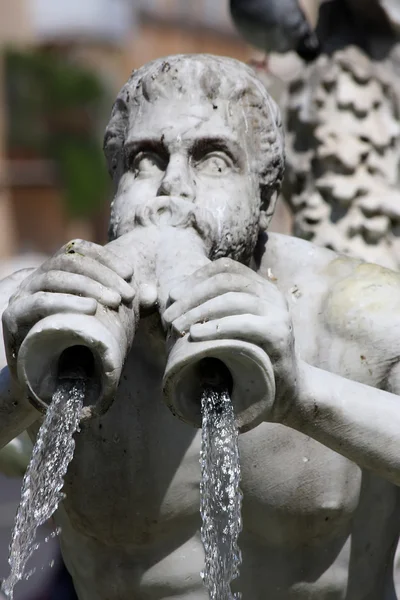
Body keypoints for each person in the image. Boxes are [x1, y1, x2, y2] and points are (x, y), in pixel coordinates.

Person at [1, 54, 400, 599]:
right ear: (114, 182)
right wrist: (21, 389)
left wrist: (304, 396)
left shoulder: (351, 313)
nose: (173, 189)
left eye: (213, 160)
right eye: (145, 160)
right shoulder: (35, 313)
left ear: (265, 200)